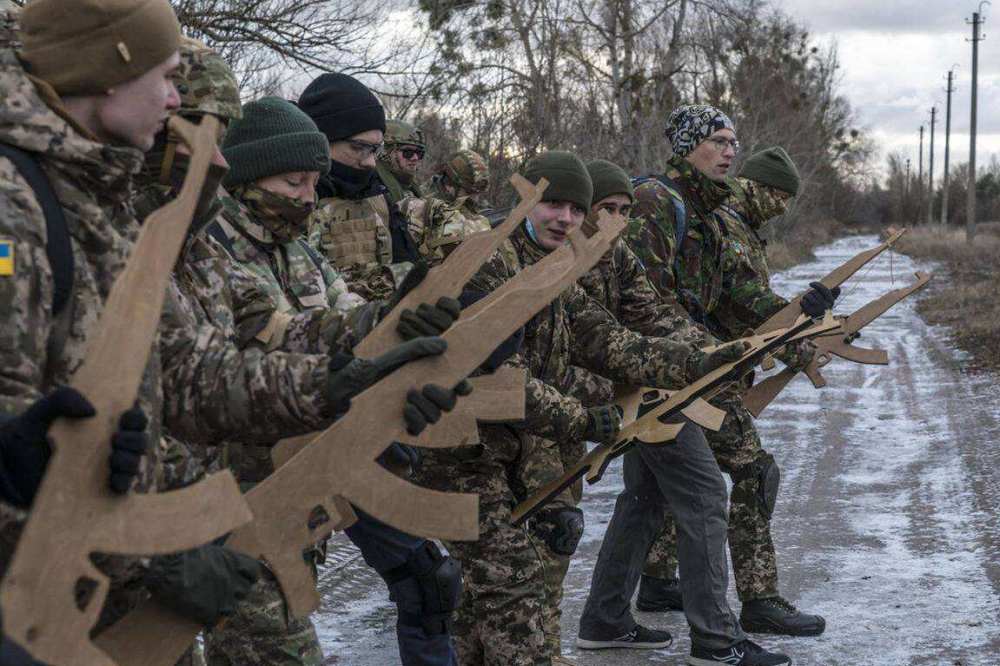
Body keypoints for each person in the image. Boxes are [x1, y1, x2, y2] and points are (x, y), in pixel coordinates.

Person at [417, 150, 745, 666]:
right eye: (553, 204)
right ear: (526, 199)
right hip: (463, 451)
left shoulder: (559, 267)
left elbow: (606, 339)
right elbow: (499, 374)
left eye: (575, 208)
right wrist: (581, 417)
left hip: (520, 443)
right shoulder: (487, 261)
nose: (565, 219)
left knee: (517, 574)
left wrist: (695, 363)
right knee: (503, 588)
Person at [0, 0, 260, 640]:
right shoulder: (14, 208)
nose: (175, 101)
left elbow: (179, 367)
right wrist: (150, 556)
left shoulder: (93, 193)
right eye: (166, 77)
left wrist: (344, 376)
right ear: (111, 71)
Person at [208, 95, 466, 666]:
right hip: (240, 491)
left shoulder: (297, 247)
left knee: (429, 578)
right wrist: (372, 328)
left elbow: (348, 309)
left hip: (312, 468)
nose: (307, 194)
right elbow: (267, 330)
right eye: (293, 180)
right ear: (250, 173)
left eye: (312, 181)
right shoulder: (211, 249)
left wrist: (400, 332)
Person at [300, 73, 421, 301]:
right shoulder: (290, 200)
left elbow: (410, 271)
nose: (370, 162)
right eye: (359, 148)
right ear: (322, 142)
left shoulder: (377, 194)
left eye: (375, 150)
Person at [377, 118, 427, 205]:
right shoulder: (375, 185)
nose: (415, 158)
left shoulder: (410, 185)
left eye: (419, 153)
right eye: (408, 152)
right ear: (389, 153)